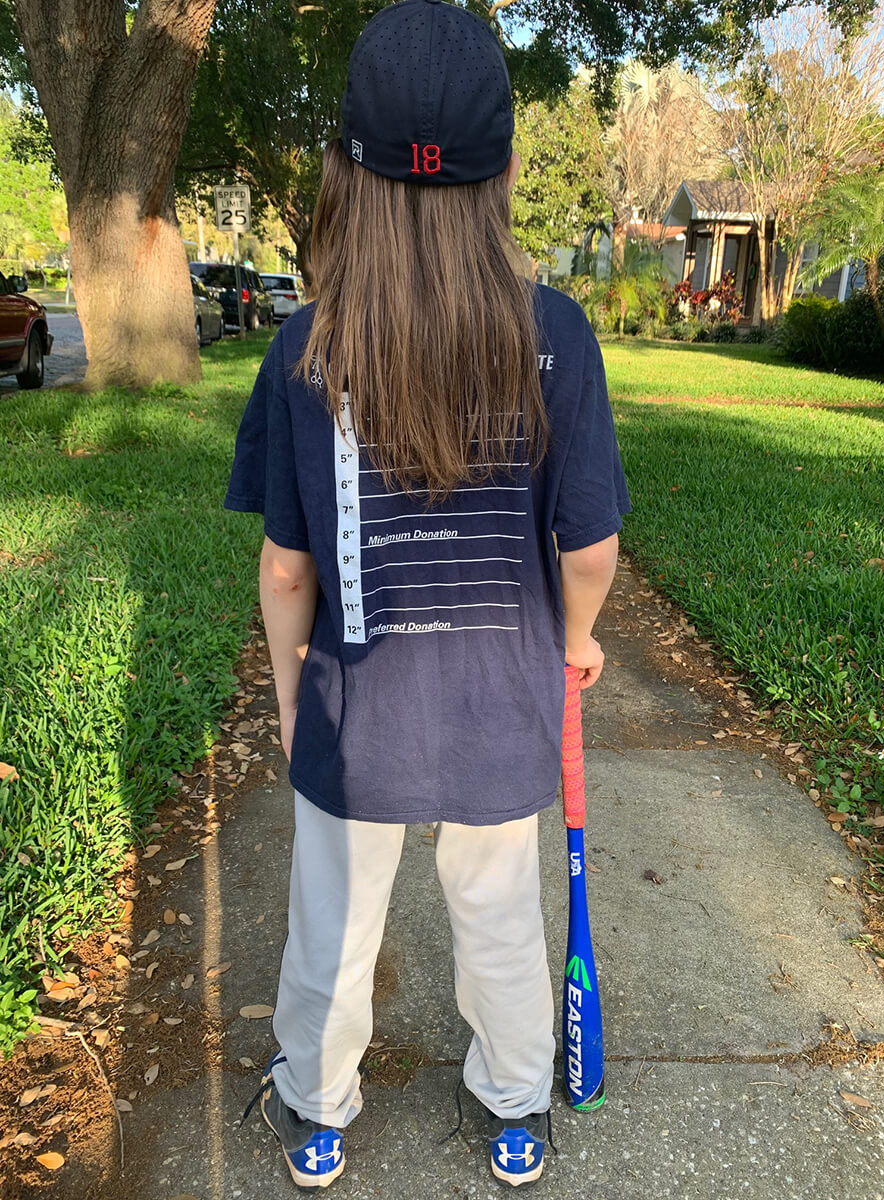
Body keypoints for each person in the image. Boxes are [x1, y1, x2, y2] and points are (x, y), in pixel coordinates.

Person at [226, 0, 631, 1188]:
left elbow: (289, 565)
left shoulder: (306, 343)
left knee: (330, 935)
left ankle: (317, 1111)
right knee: (501, 926)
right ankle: (514, 1109)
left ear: (347, 169)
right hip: (501, 712)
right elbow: (589, 545)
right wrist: (580, 642)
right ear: (503, 167)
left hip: (357, 720)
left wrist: (296, 699)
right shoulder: (555, 334)